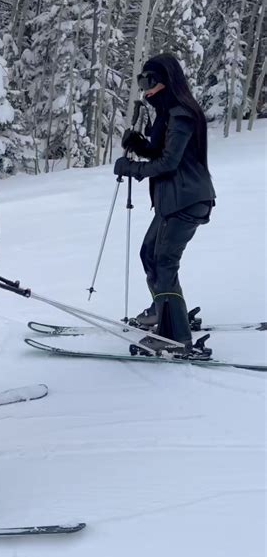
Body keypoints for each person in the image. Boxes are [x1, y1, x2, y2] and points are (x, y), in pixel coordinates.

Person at [113, 53, 215, 351]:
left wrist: (133, 169)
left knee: (164, 262)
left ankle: (175, 336)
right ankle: (163, 311)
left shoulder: (181, 114)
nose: (145, 89)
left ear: (167, 81)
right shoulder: (168, 113)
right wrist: (138, 145)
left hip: (186, 200)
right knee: (150, 254)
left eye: (150, 81)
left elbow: (170, 162)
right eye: (141, 81)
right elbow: (163, 153)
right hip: (173, 201)